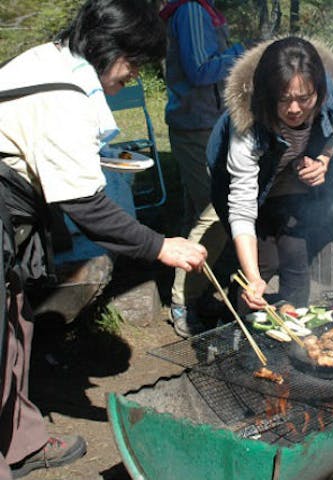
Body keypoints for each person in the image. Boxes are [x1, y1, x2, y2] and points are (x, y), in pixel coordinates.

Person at [0, 0, 207, 477]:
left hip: (13, 207)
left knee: (17, 324)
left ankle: (22, 440)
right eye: (133, 64)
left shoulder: (56, 56)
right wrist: (161, 246)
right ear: (108, 47)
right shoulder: (64, 94)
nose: (133, 78)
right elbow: (86, 207)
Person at [208, 36, 333, 312]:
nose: (295, 109)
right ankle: (240, 329)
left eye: (304, 98)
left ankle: (295, 335)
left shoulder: (330, 98)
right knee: (264, 262)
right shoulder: (247, 124)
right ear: (268, 94)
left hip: (287, 177)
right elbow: (241, 207)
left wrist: (323, 160)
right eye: (284, 100)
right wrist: (253, 280)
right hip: (239, 181)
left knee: (295, 254)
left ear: (319, 92)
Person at [160, 0, 245, 337]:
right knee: (218, 207)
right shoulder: (193, 10)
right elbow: (200, 71)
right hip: (196, 127)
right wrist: (243, 51)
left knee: (197, 212)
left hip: (202, 124)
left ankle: (196, 294)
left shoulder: (200, 10)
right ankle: (182, 300)